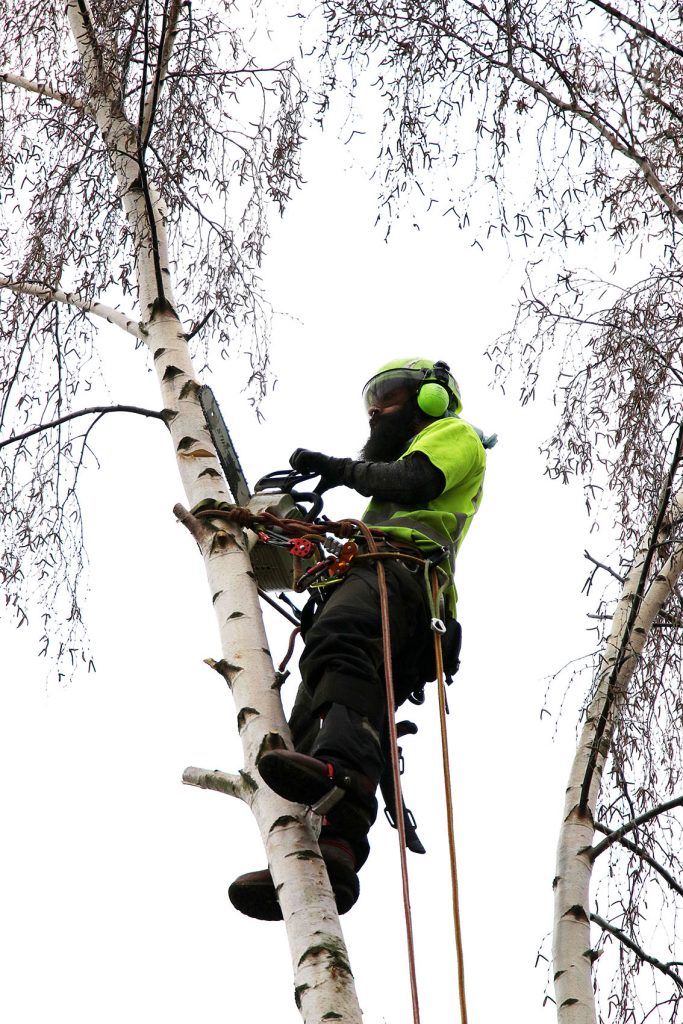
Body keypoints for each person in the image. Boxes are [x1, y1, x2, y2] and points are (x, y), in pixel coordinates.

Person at [229, 357, 490, 920]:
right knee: (308, 710)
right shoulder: (388, 482)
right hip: (383, 582)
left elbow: (415, 480)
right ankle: (331, 850)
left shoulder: (454, 434)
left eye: (390, 395)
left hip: (400, 574)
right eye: (371, 398)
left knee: (340, 642)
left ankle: (340, 772)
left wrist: (340, 468)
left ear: (431, 399)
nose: (375, 409)